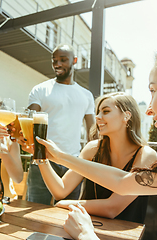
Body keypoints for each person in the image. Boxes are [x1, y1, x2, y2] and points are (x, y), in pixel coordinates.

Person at [37, 33, 157, 239]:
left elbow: (116, 197)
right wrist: (55, 156)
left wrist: (85, 234)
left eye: (153, 90)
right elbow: (122, 182)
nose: (148, 110)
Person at [37, 92, 157, 223]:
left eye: (106, 111)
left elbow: (112, 208)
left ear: (126, 116)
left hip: (124, 235)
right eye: (98, 112)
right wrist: (40, 156)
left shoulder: (146, 155)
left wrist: (66, 204)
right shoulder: (92, 149)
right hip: (84, 228)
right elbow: (60, 190)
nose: (98, 117)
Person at [25, 44, 96, 205]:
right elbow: (28, 120)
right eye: (54, 60)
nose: (57, 64)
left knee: (66, 213)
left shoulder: (86, 95)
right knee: (35, 212)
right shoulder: (40, 90)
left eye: (63, 60)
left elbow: (93, 133)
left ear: (75, 61)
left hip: (73, 163)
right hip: (42, 160)